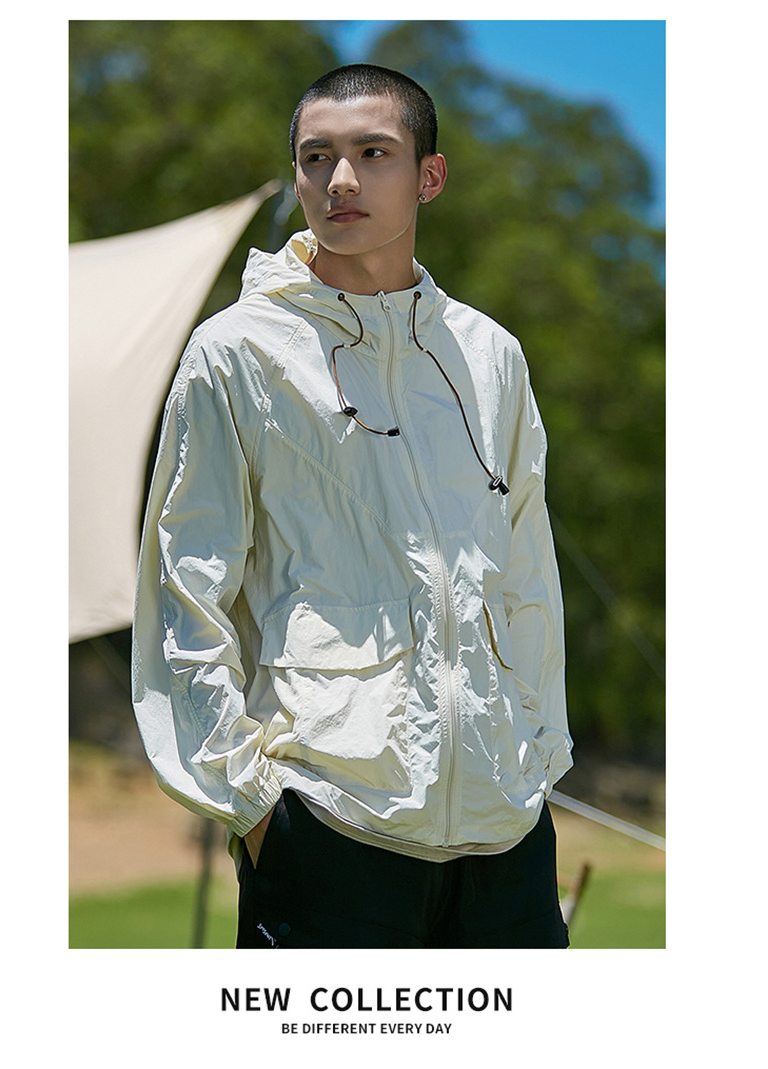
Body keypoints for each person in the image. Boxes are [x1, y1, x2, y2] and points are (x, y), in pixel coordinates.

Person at [132, 63, 573, 949]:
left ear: (429, 176)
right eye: (316, 157)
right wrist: (256, 804)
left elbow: (526, 570)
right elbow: (186, 589)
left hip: (506, 830)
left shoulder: (492, 354)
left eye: (373, 153)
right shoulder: (236, 353)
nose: (341, 180)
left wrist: (537, 757)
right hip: (327, 825)